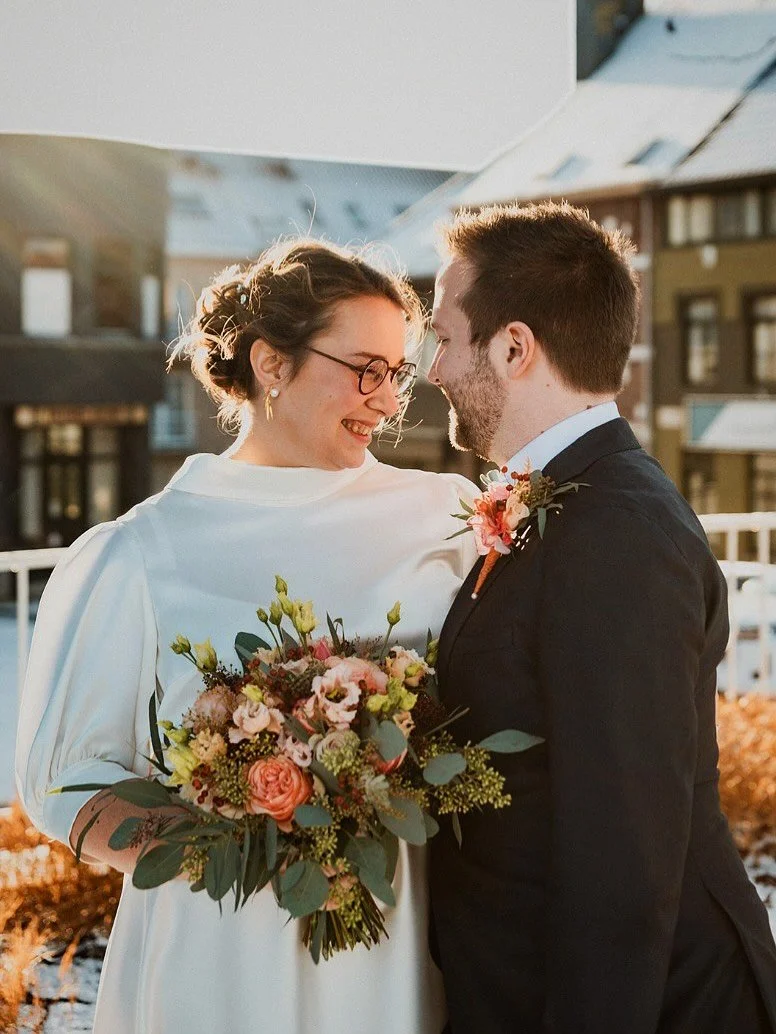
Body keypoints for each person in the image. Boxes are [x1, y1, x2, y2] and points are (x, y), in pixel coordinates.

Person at [16, 238, 477, 1034]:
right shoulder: (142, 550)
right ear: (271, 363)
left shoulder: (445, 517)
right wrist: (234, 836)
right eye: (364, 367)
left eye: (397, 375)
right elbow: (62, 784)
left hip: (391, 945)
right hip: (215, 956)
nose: (384, 398)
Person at [427, 201, 776, 1034]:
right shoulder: (571, 499)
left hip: (659, 1002)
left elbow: (624, 852)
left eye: (443, 337)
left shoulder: (619, 531)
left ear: (514, 348)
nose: (431, 368)